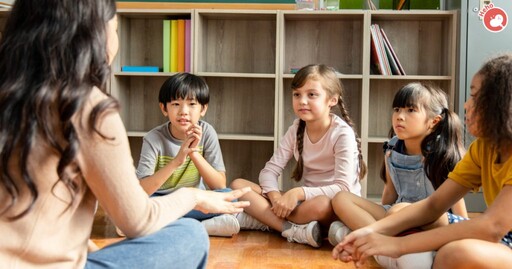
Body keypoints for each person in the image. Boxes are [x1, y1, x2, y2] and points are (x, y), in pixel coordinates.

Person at [0, 0, 250, 268]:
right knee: (189, 234)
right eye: (115, 29)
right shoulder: (88, 107)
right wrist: (194, 196)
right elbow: (136, 220)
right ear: (94, 36)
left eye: (191, 104)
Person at [333, 54, 512, 269]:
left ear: (500, 104)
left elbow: (492, 226)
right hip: (499, 237)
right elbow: (434, 205)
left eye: (474, 97)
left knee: (456, 253)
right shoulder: (483, 148)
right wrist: (369, 233)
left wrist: (398, 245)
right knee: (407, 213)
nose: (466, 105)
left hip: (502, 238)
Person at [329, 82, 468, 268]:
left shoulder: (440, 154)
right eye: (397, 109)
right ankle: (373, 238)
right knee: (340, 198)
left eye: (411, 110)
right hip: (396, 215)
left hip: (431, 221)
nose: (400, 117)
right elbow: (390, 193)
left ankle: (361, 238)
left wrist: (463, 232)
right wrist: (383, 214)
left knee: (399, 209)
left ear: (433, 122)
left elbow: (456, 202)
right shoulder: (392, 149)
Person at [230, 64, 366, 248]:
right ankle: (291, 229)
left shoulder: (342, 134)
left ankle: (265, 221)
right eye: (297, 94)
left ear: (332, 100)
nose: (302, 101)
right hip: (304, 203)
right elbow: (269, 171)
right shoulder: (296, 128)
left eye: (311, 95)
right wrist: (276, 197)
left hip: (332, 206)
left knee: (321, 205)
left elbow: (343, 188)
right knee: (239, 186)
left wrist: (297, 193)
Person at [133, 72, 239, 237]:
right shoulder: (153, 138)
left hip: (194, 202)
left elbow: (219, 185)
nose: (184, 111)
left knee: (229, 197)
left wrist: (194, 153)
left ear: (203, 109)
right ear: (164, 108)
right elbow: (142, 191)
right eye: (175, 104)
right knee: (135, 205)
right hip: (162, 201)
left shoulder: (207, 132)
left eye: (191, 104)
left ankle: (165, 225)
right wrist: (177, 160)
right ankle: (203, 226)